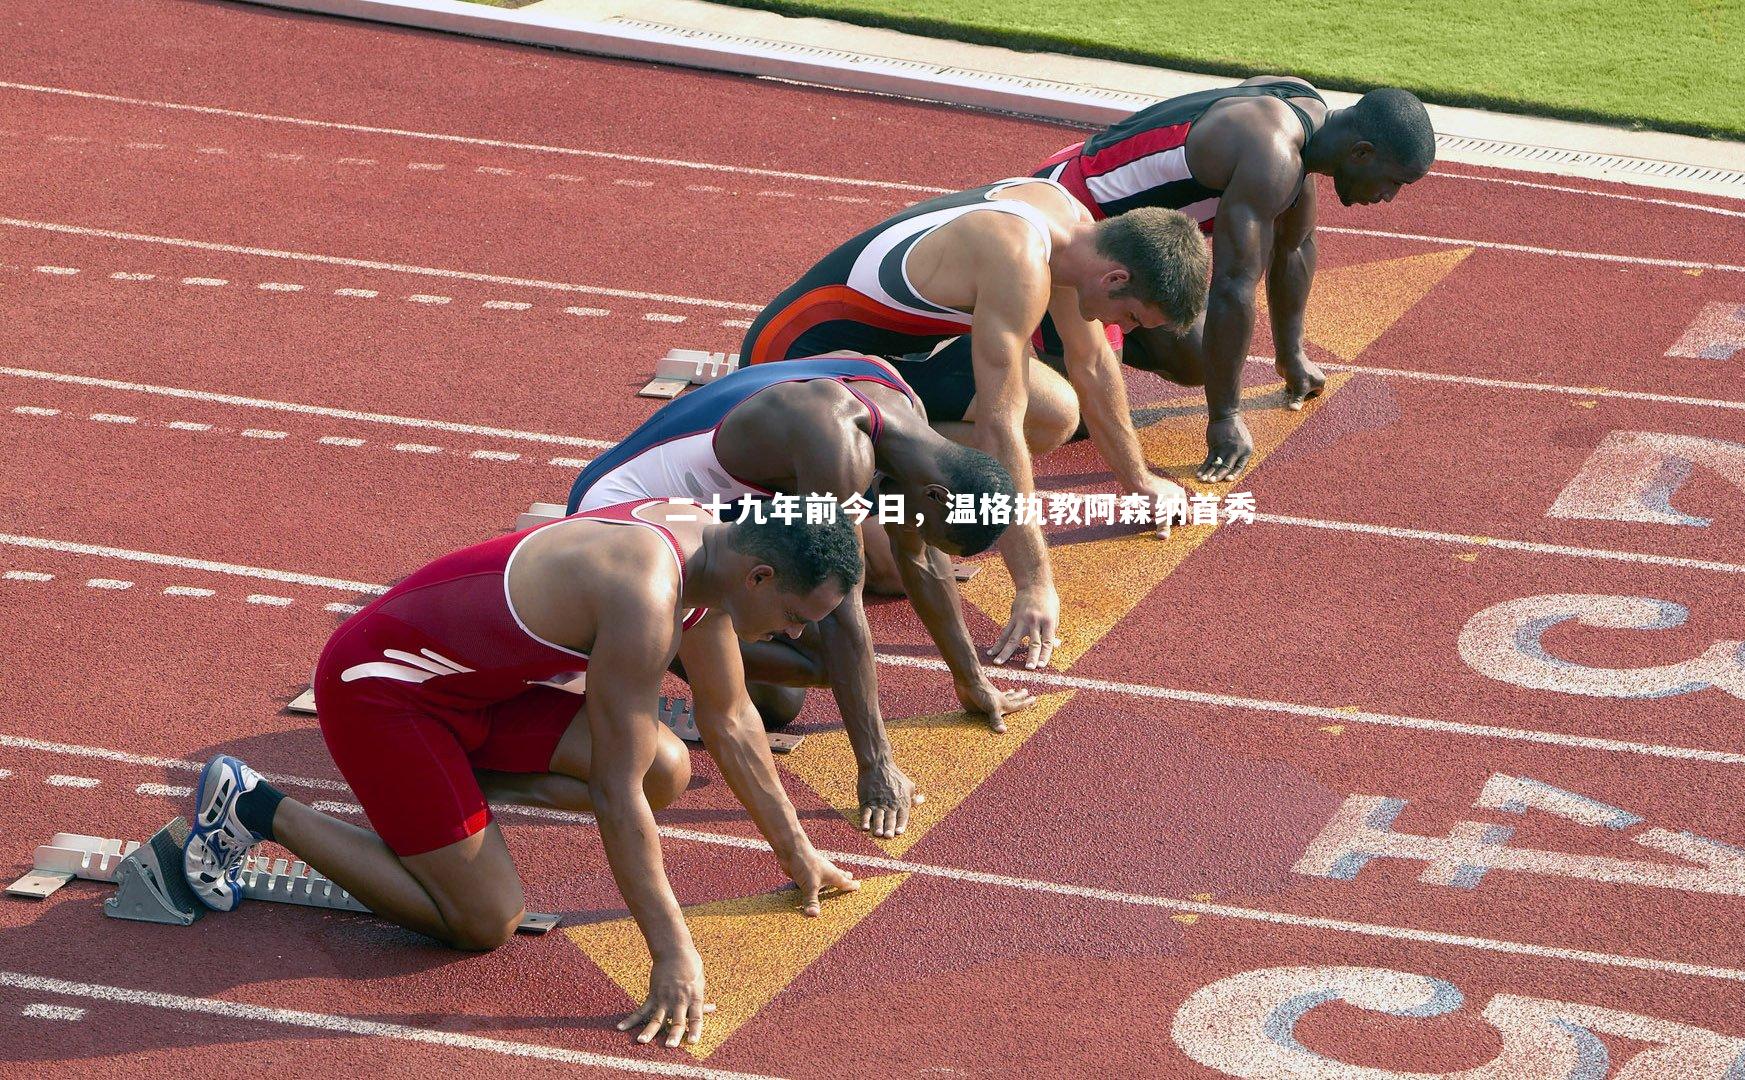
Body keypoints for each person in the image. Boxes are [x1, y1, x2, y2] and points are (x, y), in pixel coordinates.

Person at [182, 500, 863, 1049]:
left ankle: (437, 808)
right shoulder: (646, 595)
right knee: (485, 920)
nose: (797, 637)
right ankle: (255, 806)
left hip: (477, 695)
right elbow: (613, 793)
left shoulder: (713, 554)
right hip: (383, 692)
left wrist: (797, 852)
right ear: (761, 578)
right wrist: (672, 953)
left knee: (667, 767)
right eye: (798, 619)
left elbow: (734, 718)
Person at [740, 176, 1210, 668]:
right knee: (890, 569)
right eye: (1131, 318)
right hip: (793, 360)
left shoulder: (1077, 233)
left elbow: (1092, 364)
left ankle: (884, 459)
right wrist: (1034, 584)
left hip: (886, 354)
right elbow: (998, 427)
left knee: (1055, 413)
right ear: (1115, 279)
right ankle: (856, 459)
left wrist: (1140, 481)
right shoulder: (1019, 261)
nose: (1126, 331)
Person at [567, 352, 1034, 838]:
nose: (919, 535)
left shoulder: (906, 418)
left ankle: (679, 645)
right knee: (826, 660)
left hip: (703, 514)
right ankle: (648, 644)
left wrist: (973, 681)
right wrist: (876, 766)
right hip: (621, 515)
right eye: (932, 528)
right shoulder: (837, 449)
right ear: (937, 496)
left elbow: (919, 558)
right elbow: (840, 611)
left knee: (786, 697)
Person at [1034, 82, 1435, 481]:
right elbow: (1232, 286)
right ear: (1361, 152)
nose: (1388, 197)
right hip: (1070, 221)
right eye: (1394, 182)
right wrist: (1225, 417)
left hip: (1112, 233)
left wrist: (1291, 355)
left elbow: (1294, 245)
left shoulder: (1304, 114)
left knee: (1197, 354)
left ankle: (1086, 337)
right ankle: (1016, 338)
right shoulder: (1272, 155)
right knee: (1076, 415)